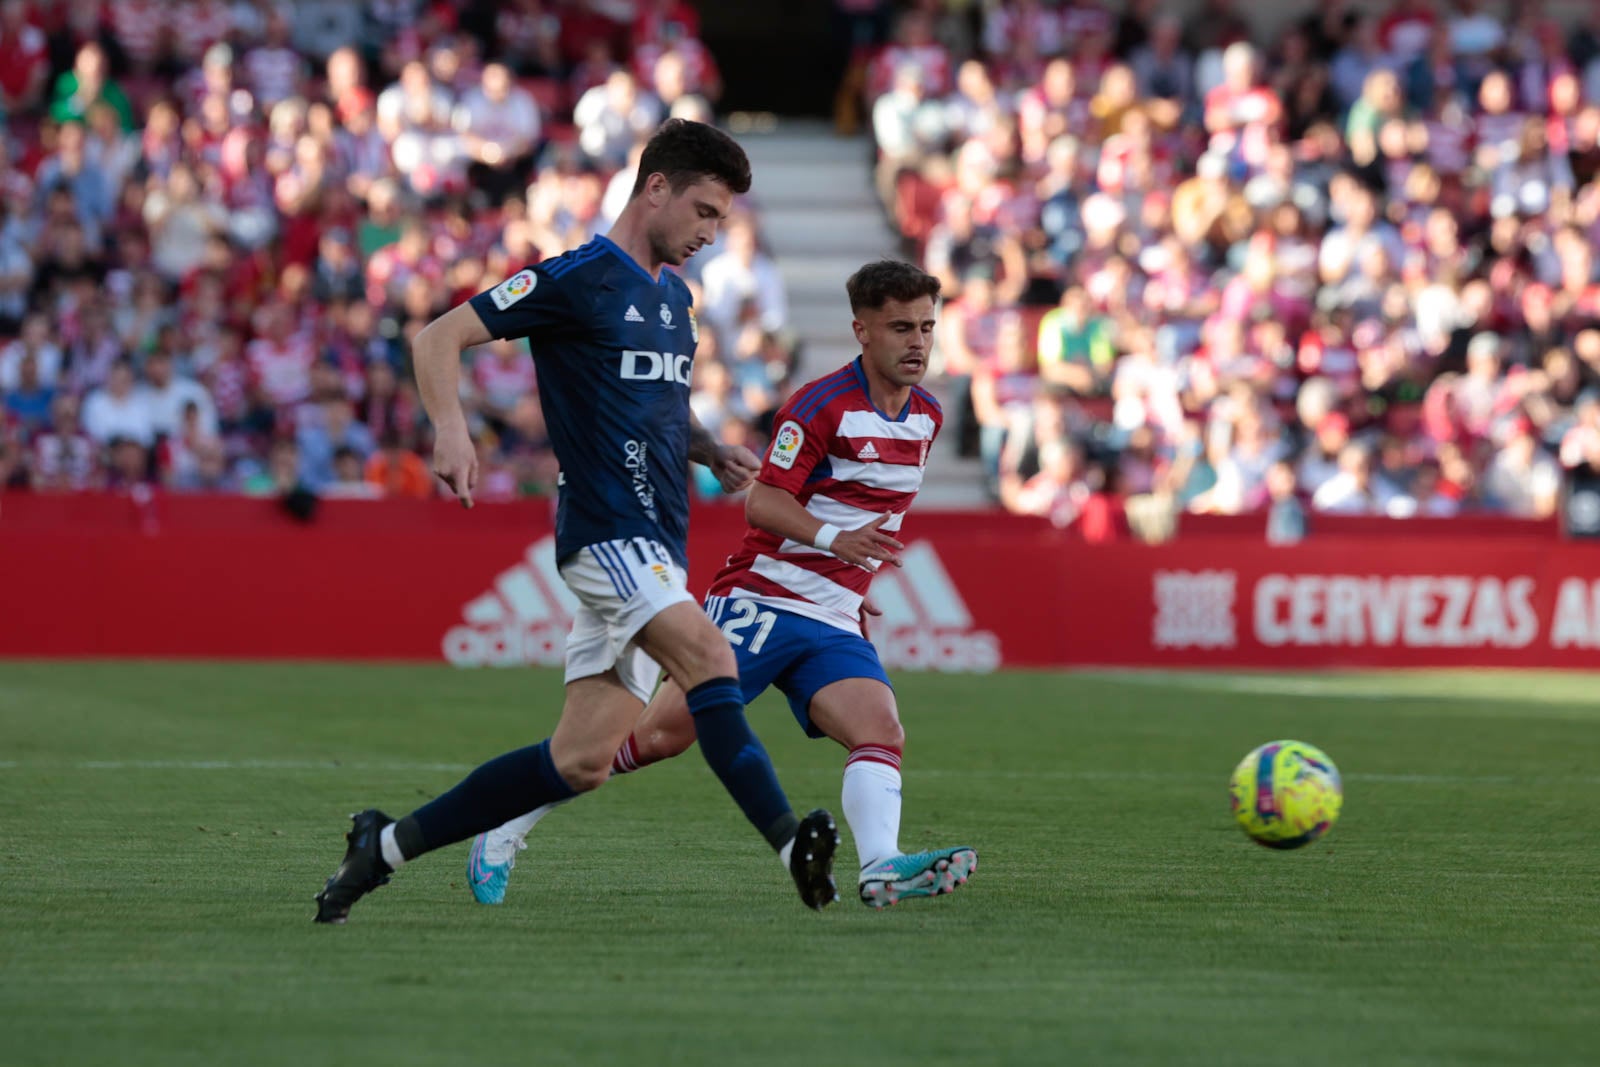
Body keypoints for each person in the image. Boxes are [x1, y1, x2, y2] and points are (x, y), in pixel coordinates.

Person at [313, 120, 840, 924]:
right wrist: (450, 428)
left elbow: (657, 401)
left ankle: (382, 844)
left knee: (582, 760)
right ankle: (787, 843)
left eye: (721, 222)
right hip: (606, 533)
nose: (709, 233)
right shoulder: (578, 277)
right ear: (654, 187)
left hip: (660, 540)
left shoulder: (675, 300)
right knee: (708, 656)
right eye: (702, 211)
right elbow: (438, 336)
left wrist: (707, 448)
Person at [468, 259, 977, 909]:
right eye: (901, 326)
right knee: (657, 736)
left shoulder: (927, 417)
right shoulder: (820, 406)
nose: (918, 342)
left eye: (928, 327)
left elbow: (864, 514)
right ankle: (506, 824)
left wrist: (854, 580)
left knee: (880, 728)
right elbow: (763, 503)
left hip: (832, 614)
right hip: (761, 601)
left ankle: (879, 865)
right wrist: (832, 542)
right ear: (862, 331)